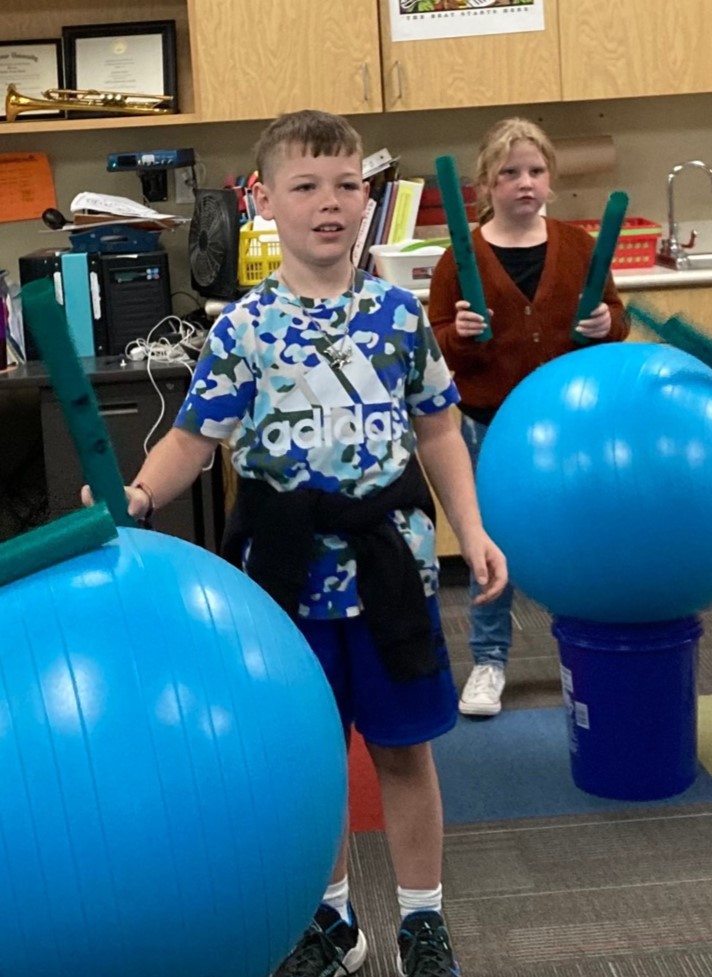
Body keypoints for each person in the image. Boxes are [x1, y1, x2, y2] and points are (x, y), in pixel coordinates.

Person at [85, 109, 507, 977]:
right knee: (307, 755)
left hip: (391, 564)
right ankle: (334, 920)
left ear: (366, 200)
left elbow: (436, 432)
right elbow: (192, 441)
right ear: (266, 203)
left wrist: (472, 526)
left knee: (403, 748)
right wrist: (133, 495)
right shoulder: (242, 328)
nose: (329, 204)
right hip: (282, 579)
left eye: (346, 186)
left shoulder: (397, 316)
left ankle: (423, 921)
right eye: (305, 187)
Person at [427, 117, 630, 718]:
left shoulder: (578, 247)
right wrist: (457, 336)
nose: (524, 183)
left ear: (551, 181)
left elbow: (615, 317)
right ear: (485, 185)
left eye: (535, 171)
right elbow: (436, 345)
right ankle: (489, 662)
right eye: (509, 173)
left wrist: (606, 327)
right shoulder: (457, 260)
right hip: (486, 422)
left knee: (577, 534)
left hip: (568, 425)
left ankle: (589, 651)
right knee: (490, 544)